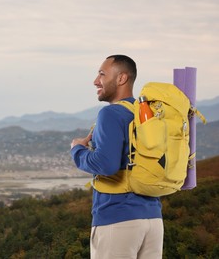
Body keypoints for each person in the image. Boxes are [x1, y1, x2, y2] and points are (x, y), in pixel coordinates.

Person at [70, 55, 163, 259]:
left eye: (102, 74)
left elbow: (106, 165)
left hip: (117, 219)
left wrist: (77, 150)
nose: (96, 81)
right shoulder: (146, 115)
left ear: (121, 78)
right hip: (153, 219)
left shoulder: (111, 114)